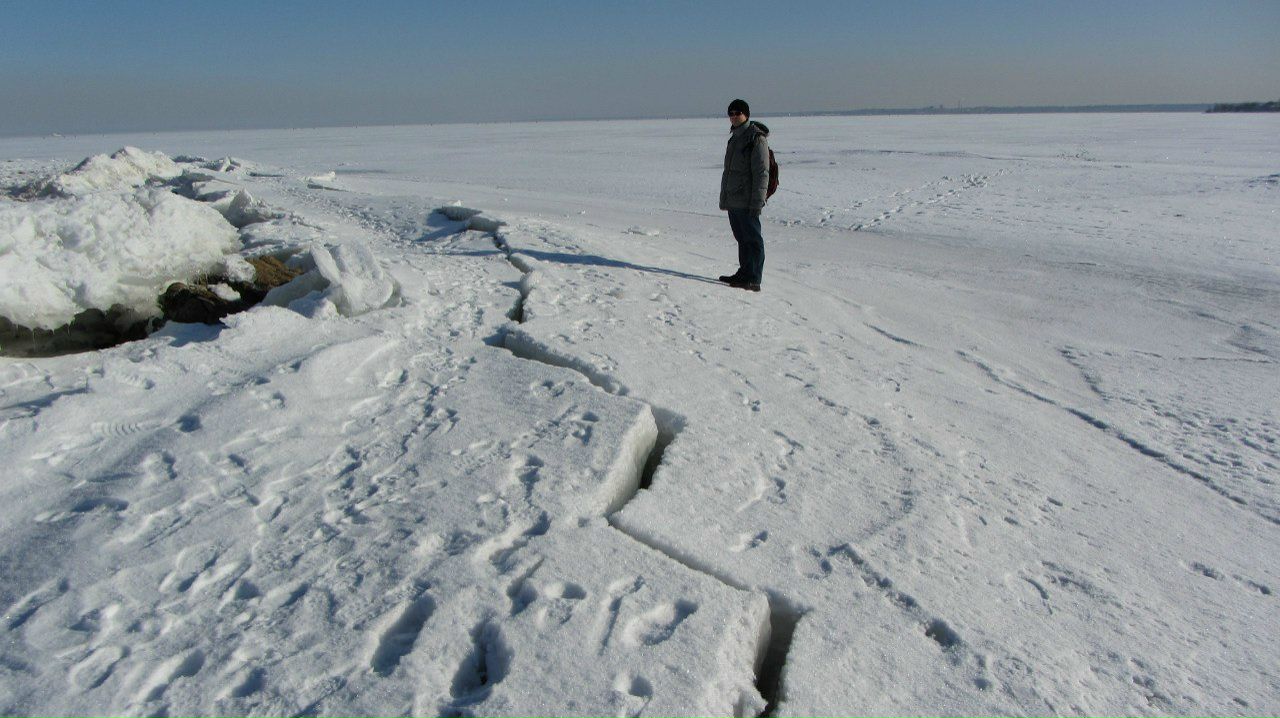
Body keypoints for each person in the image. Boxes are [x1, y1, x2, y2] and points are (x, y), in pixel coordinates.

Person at [718, 98, 770, 292]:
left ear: (746, 114)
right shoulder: (735, 137)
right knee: (742, 238)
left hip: (748, 200)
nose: (733, 117)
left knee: (753, 239)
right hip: (734, 198)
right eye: (730, 113)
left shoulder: (756, 138)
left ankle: (754, 278)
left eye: (737, 113)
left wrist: (758, 201)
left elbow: (762, 172)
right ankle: (745, 272)